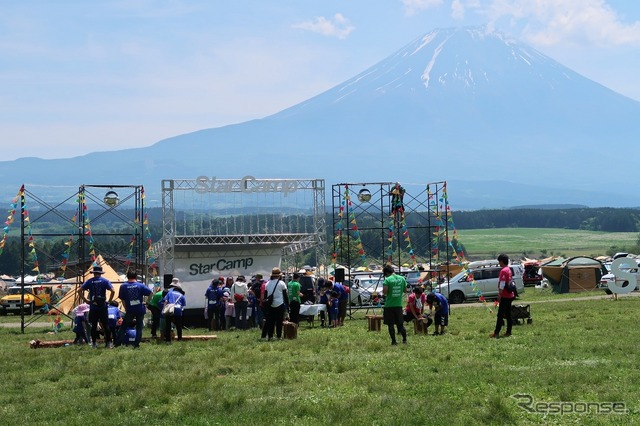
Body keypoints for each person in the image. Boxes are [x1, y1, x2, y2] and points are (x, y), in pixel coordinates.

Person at [80, 265, 115, 348]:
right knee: (106, 325)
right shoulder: (105, 281)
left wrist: (85, 300)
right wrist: (109, 301)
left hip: (93, 306)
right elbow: (113, 291)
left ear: (93, 273)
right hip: (103, 306)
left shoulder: (89, 281)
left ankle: (94, 343)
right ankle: (108, 343)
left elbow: (79, 290)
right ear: (101, 273)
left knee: (94, 326)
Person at [116, 271, 152, 348]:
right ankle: (136, 344)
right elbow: (150, 292)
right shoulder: (140, 285)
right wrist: (147, 302)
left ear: (127, 276)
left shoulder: (123, 286)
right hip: (140, 309)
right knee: (139, 327)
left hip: (130, 310)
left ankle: (118, 344)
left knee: (123, 327)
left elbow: (122, 299)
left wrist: (126, 308)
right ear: (135, 277)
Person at [261, 267, 289, 341]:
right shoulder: (282, 283)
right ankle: (279, 336)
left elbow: (265, 296)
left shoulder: (267, 283)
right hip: (280, 304)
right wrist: (287, 305)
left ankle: (270, 336)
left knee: (271, 321)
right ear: (279, 275)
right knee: (279, 321)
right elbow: (285, 296)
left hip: (270, 304)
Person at [382, 264, 407, 345]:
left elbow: (385, 292)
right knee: (400, 324)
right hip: (399, 305)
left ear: (386, 273)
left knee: (391, 325)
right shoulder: (402, 278)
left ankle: (394, 341)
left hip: (389, 305)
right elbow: (405, 290)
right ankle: (404, 340)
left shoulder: (387, 280)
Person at [491, 253, 515, 338]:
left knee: (500, 315)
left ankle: (496, 333)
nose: (499, 263)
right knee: (508, 314)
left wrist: (499, 295)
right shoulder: (508, 269)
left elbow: (502, 284)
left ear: (501, 261)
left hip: (505, 295)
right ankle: (509, 331)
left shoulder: (503, 271)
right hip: (510, 295)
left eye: (499, 261)